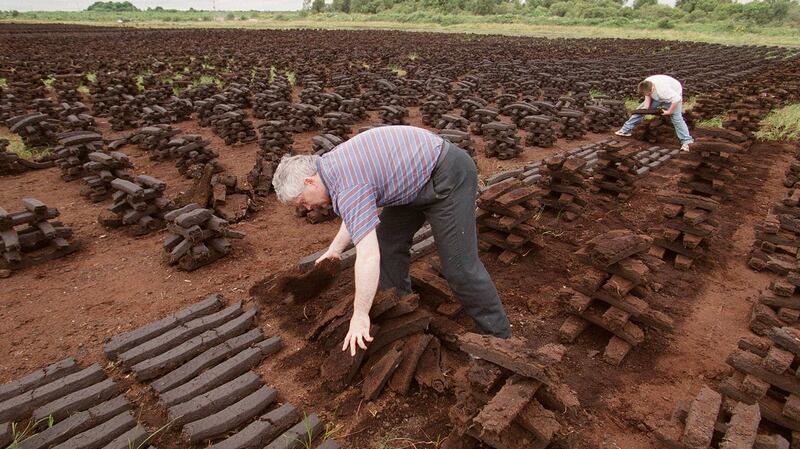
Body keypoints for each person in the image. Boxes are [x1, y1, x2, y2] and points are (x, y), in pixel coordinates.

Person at [272, 125, 512, 356]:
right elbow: (355, 212)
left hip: (447, 174)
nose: (307, 207)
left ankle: (499, 339)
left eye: (302, 201)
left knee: (459, 266)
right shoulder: (332, 169)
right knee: (388, 244)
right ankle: (402, 307)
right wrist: (334, 252)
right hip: (413, 183)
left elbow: (367, 256)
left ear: (309, 182)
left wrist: (360, 315)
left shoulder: (347, 184)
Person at [615, 74, 694, 151]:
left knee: (676, 118)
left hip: (674, 96)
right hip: (658, 94)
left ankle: (687, 141)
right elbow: (647, 95)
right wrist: (646, 107)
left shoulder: (664, 91)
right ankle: (625, 130)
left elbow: (677, 99)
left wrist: (669, 111)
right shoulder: (645, 84)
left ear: (652, 89)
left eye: (649, 93)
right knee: (640, 111)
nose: (648, 95)